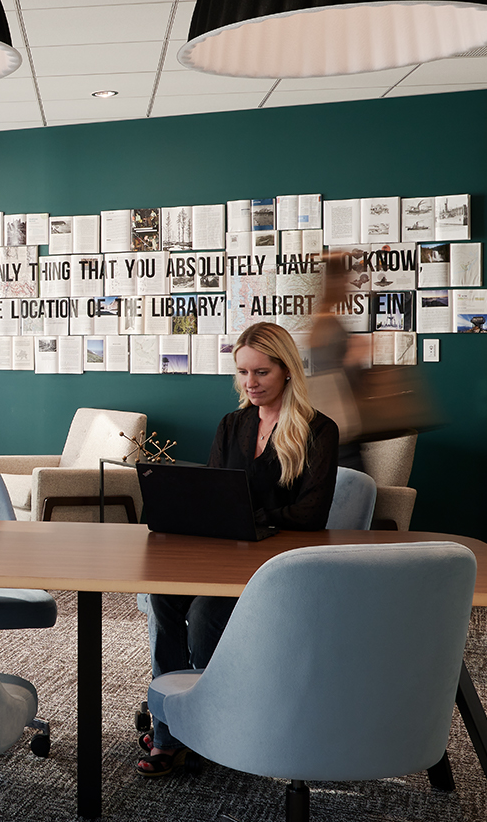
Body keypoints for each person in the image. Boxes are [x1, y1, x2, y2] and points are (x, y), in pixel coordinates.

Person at [137, 322, 338, 777]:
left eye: (262, 372)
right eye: (243, 372)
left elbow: (311, 515)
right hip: (224, 551)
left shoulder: (318, 430)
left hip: (278, 562)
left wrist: (253, 516)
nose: (250, 383)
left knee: (207, 613)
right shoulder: (233, 424)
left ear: (288, 371)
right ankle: (170, 730)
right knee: (162, 599)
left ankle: (220, 722)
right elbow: (212, 492)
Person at [307, 248, 368, 470]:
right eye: (343, 279)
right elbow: (331, 377)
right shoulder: (326, 324)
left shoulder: (326, 321)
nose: (348, 284)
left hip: (338, 426)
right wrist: (354, 360)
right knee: (354, 489)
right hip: (338, 427)